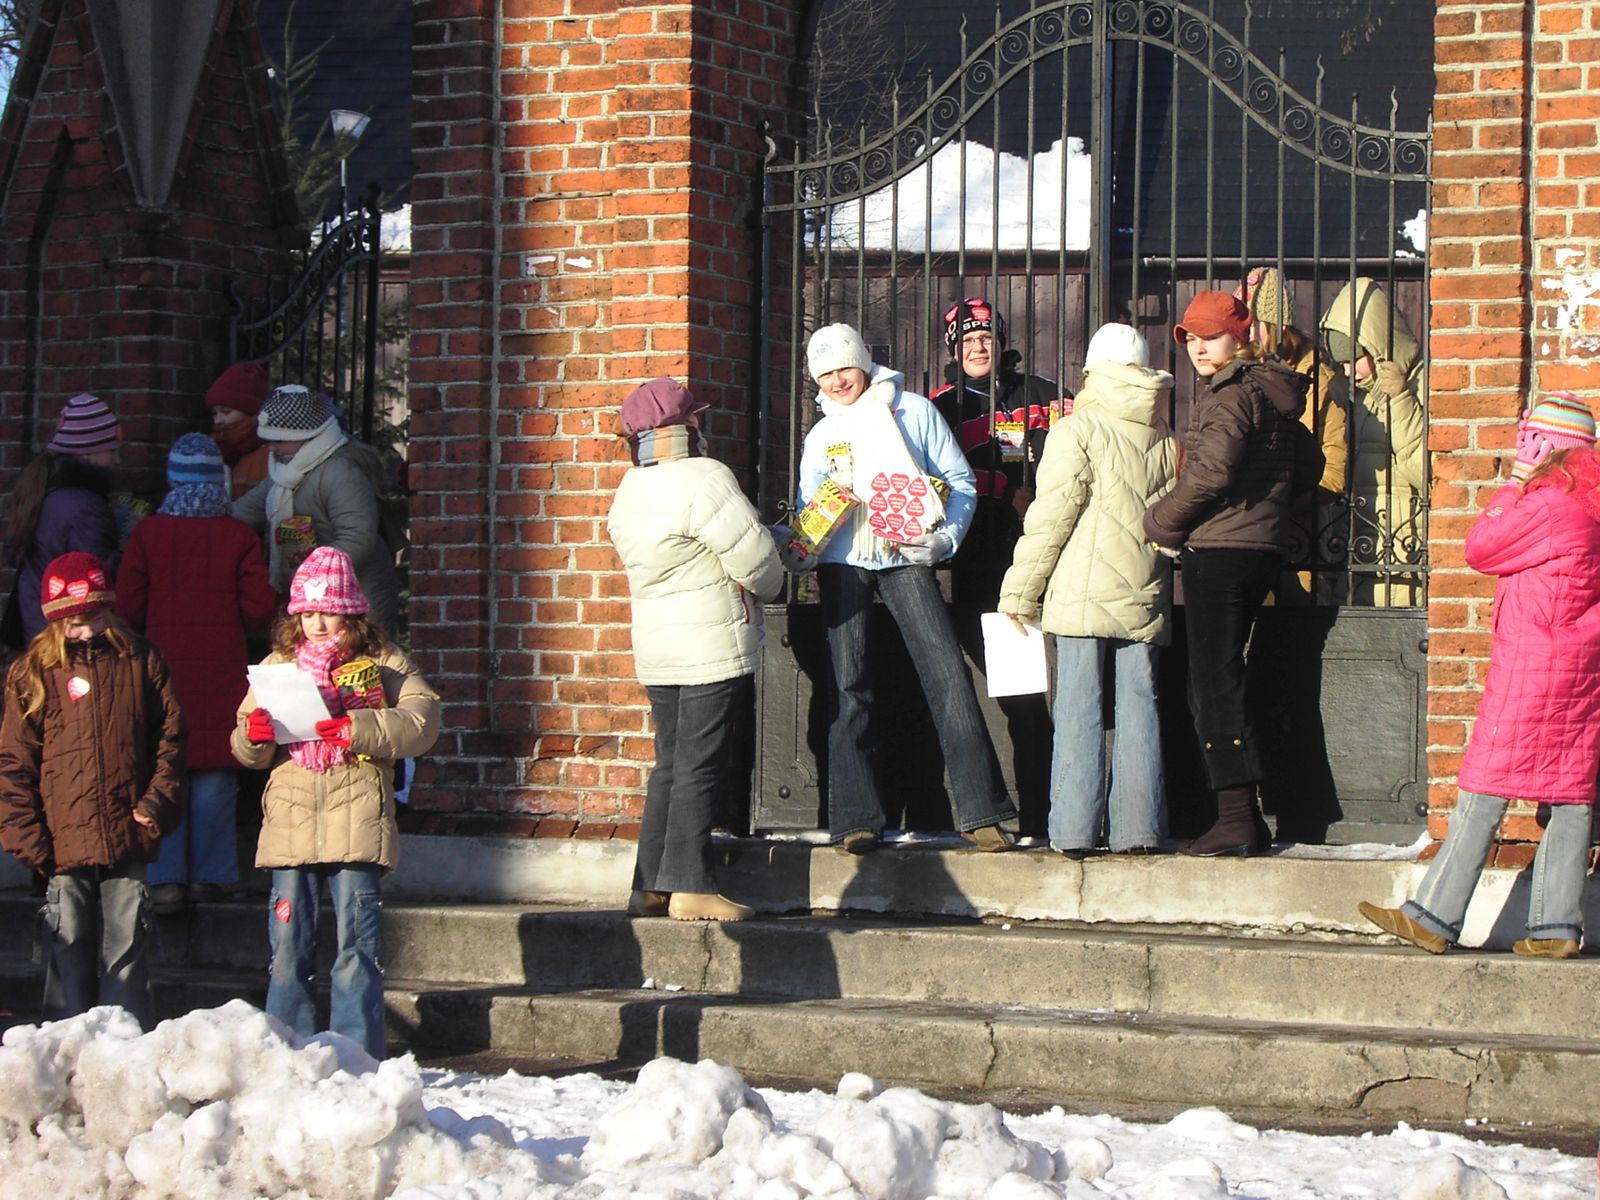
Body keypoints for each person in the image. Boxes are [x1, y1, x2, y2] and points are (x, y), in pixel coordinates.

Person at [1359, 395, 1600, 958]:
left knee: (1484, 785)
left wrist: (1513, 483)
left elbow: (1480, 548)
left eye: (1529, 442)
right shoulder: (1589, 502)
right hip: (1579, 662)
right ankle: (1555, 928)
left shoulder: (1549, 504)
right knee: (1570, 790)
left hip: (1533, 664)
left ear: (1545, 447)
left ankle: (1433, 917)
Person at [793, 322, 1016, 854]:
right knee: (848, 684)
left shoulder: (912, 411)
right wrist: (804, 539)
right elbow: (809, 506)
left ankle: (983, 812)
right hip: (843, 563)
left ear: (863, 361)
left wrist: (944, 540)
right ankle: (856, 820)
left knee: (947, 675)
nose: (837, 382)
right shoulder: (822, 435)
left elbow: (960, 482)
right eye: (825, 375)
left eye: (844, 368)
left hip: (906, 556)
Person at [232, 546, 440, 1059]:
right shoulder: (279, 666)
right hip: (292, 820)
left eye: (328, 612)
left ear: (351, 612)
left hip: (357, 817)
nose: (318, 624)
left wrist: (357, 728)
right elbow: (244, 744)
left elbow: (422, 721)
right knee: (287, 946)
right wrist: (254, 735)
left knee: (356, 947)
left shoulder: (383, 661)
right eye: (307, 613)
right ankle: (286, 1052)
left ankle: (356, 1056)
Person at [1143, 291, 1319, 856]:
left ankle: (1237, 817)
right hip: (1260, 546)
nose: (1198, 348)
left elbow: (1212, 474)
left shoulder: (1231, 395)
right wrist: (1267, 501)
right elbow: (1310, 466)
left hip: (1220, 550)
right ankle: (1246, 817)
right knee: (1226, 678)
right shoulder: (1274, 390)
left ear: (1239, 338)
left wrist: (1161, 520)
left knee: (1213, 684)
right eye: (1191, 338)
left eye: (1210, 337)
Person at [605, 378, 784, 921]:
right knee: (700, 765)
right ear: (687, 425)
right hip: (710, 642)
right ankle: (690, 885)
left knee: (670, 763)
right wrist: (777, 577)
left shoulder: (630, 487)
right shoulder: (706, 477)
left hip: (658, 648)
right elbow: (756, 563)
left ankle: (648, 886)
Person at [998, 324, 1179, 857]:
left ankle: (1074, 829)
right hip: (1144, 591)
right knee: (1140, 708)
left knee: (1079, 708)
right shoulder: (1164, 435)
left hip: (1082, 590)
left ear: (1092, 373)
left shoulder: (1077, 430)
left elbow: (1051, 518)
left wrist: (1019, 592)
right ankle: (1139, 829)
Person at [0, 552, 186, 1028]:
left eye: (96, 619)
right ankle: (66, 1041)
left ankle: (125, 1041)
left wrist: (156, 802)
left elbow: (170, 739)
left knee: (127, 945)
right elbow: (15, 764)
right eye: (75, 624)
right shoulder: (32, 673)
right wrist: (29, 839)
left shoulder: (139, 659)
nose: (86, 632)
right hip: (60, 839)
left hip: (129, 826)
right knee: (68, 943)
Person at [115, 434, 277, 915]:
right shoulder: (237, 536)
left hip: (161, 669)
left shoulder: (148, 535)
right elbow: (257, 611)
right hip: (222, 670)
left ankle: (165, 879)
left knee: (166, 770)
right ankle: (211, 876)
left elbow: (128, 607)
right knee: (216, 773)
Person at [929, 297, 1061, 833]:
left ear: (1002, 341)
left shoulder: (1044, 394)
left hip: (1047, 562)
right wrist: (1004, 489)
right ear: (953, 348)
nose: (978, 347)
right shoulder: (940, 408)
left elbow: (1075, 453)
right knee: (1014, 696)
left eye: (986, 337)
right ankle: (1023, 815)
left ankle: (1053, 815)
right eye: (967, 339)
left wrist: (1040, 494)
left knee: (1054, 697)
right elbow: (935, 479)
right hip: (979, 568)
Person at [233, 385, 403, 635]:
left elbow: (357, 537)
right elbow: (244, 512)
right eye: (269, 440)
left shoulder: (340, 472)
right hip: (315, 596)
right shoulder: (285, 474)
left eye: (279, 440)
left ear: (310, 436)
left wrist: (312, 574)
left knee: (361, 655)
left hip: (358, 595)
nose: (272, 448)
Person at [1318, 277, 1426, 606]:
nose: (1349, 371)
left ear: (1378, 347)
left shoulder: (1422, 386)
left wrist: (1400, 402)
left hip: (1405, 564)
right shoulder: (1356, 399)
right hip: (1358, 560)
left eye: (1354, 358)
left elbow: (1428, 475)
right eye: (1342, 362)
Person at [3, 394, 122, 647]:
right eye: (111, 450)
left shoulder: (43, 490)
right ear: (87, 452)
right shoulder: (86, 507)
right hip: (71, 635)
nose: (116, 460)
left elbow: (14, 552)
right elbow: (99, 575)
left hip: (40, 627)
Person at [206, 362, 273, 501]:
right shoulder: (213, 450)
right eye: (214, 413)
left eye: (226, 411)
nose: (218, 420)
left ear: (251, 411)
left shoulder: (269, 454)